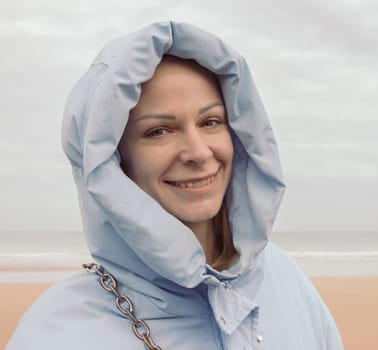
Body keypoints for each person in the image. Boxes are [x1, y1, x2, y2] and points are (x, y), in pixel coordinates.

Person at [7, 21, 343, 349]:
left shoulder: (286, 281)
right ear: (110, 161)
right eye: (158, 131)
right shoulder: (59, 334)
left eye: (210, 121)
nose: (198, 152)